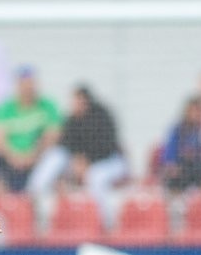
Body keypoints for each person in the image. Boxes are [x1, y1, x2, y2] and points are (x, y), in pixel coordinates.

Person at [26, 85, 128, 229]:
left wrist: (87, 162)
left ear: (85, 101)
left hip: (109, 162)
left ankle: (105, 224)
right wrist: (71, 167)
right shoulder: (72, 120)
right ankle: (32, 197)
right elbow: (66, 146)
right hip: (81, 165)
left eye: (76, 101)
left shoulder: (102, 116)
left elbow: (107, 146)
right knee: (55, 156)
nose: (73, 105)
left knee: (96, 177)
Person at [0, 66, 62, 193]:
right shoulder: (5, 108)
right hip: (9, 161)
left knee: (57, 158)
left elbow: (53, 135)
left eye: (31, 84)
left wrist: (34, 155)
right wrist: (13, 156)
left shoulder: (48, 106)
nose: (28, 88)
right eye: (24, 84)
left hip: (39, 159)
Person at [161, 96, 201, 193]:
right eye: (193, 111)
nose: (196, 114)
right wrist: (171, 164)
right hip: (181, 168)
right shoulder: (178, 129)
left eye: (198, 111)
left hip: (198, 168)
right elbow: (169, 153)